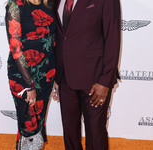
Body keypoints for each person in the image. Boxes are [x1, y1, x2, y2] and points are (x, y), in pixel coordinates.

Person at [53, 0, 121, 149]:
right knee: (70, 133)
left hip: (95, 78)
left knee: (95, 134)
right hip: (65, 77)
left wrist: (105, 81)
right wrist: (56, 76)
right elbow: (61, 36)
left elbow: (113, 38)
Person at [5, 0, 56, 149]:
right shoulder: (15, 6)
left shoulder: (49, 3)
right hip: (23, 75)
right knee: (28, 122)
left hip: (46, 73)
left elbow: (53, 40)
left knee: (38, 121)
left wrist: (57, 76)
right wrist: (29, 84)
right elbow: (16, 49)